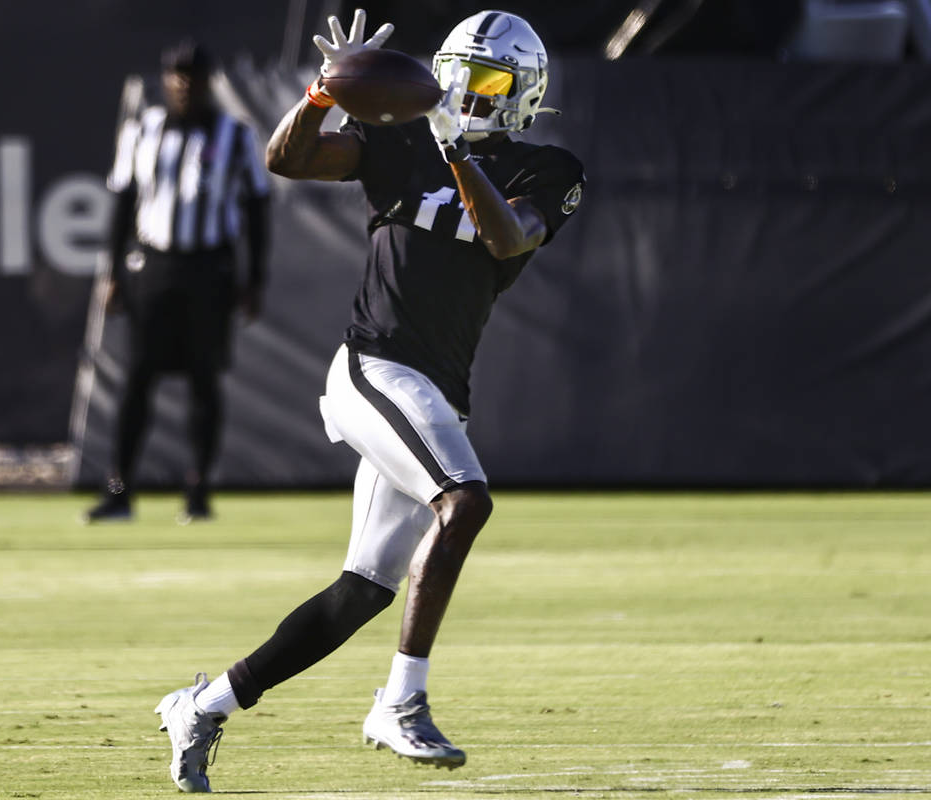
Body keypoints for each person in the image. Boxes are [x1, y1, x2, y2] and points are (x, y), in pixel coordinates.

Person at [153, 9, 585, 792]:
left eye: (490, 81)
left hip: (437, 388)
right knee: (467, 502)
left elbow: (508, 239)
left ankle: (202, 704)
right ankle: (401, 701)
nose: (469, 92)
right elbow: (289, 160)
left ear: (522, 93)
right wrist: (322, 91)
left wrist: (457, 147)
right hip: (373, 366)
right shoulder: (402, 140)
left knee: (362, 590)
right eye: (459, 73)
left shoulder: (545, 167)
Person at [84, 41, 270, 524]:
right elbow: (123, 204)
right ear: (165, 80)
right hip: (153, 267)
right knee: (137, 379)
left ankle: (198, 489)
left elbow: (257, 208)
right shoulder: (142, 131)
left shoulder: (235, 134)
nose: (185, 84)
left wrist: (255, 279)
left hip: (211, 269)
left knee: (204, 380)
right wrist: (111, 273)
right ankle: (120, 490)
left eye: (195, 76)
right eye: (176, 75)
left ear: (211, 82)